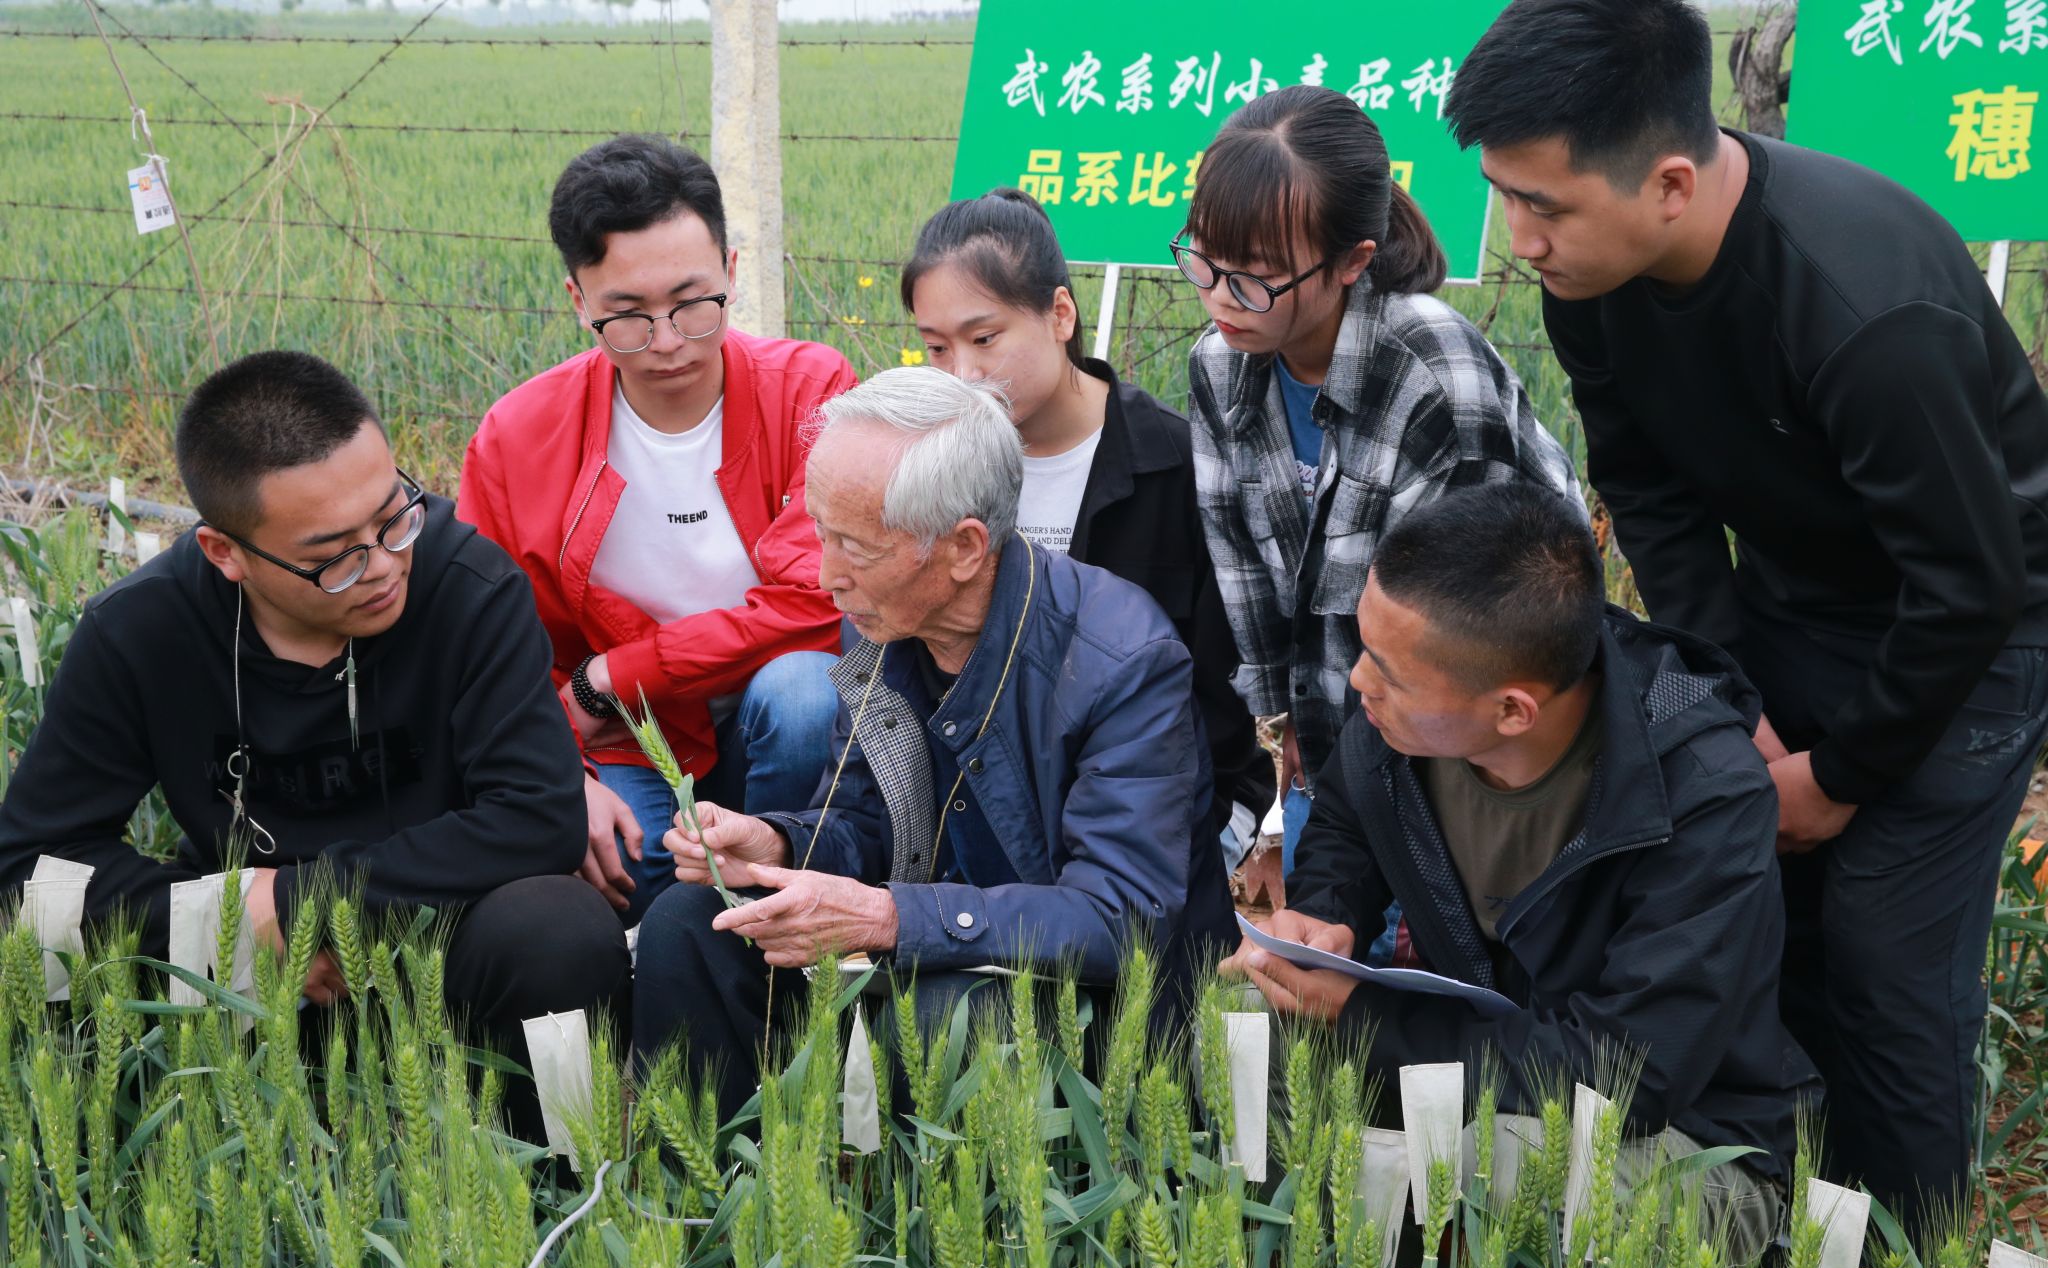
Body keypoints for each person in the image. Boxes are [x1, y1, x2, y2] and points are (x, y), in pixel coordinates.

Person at [1445, 0, 2048, 1234]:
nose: (1518, 239)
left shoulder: (1862, 306)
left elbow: (1968, 583)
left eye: (1542, 204)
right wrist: (1741, 703)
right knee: (1768, 922)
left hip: (1973, 634)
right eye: (1502, 197)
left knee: (1883, 957)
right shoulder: (1591, 280)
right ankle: (1782, 1241)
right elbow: (1653, 501)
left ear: (1668, 182)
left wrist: (1835, 774)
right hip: (1791, 599)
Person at [0, 351, 631, 1137]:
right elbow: (28, 866)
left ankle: (570, 1173)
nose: (385, 565)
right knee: (50, 945)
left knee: (562, 931)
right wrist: (234, 917)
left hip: (443, 932)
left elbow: (539, 818)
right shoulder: (141, 633)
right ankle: (130, 1167)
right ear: (225, 553)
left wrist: (308, 903)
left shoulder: (470, 586)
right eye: (333, 556)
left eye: (394, 515)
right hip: (242, 971)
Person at [1224, 484, 1816, 1265]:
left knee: (1491, 1164)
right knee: (1245, 1018)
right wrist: (1330, 913)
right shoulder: (1408, 714)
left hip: (1682, 1139)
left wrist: (1366, 1014)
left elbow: (1626, 1077)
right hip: (1483, 1070)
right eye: (1363, 646)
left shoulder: (1705, 795)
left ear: (1512, 712)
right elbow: (1349, 813)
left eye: (1388, 670)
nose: (1360, 680)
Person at [631, 366, 1234, 1115]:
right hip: (924, 958)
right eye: (821, 533)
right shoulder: (887, 621)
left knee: (948, 1016)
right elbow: (864, 824)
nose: (826, 576)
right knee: (689, 926)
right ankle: (724, 1182)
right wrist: (778, 844)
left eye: (855, 546)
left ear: (965, 548)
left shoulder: (1122, 661)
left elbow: (1122, 918)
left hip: (1096, 1010)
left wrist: (891, 917)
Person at [1178, 85, 1580, 900]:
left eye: (1257, 277)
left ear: (1353, 261)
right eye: (1205, 261)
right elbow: (1242, 571)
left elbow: (1455, 633)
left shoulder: (1432, 374)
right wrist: (1279, 739)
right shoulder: (1219, 366)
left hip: (1466, 741)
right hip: (1334, 737)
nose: (1221, 297)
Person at [459, 133, 854, 925]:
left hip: (773, 717)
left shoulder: (810, 389)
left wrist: (613, 674)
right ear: (579, 301)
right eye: (628, 317)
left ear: (731, 270)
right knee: (624, 873)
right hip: (623, 742)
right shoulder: (516, 437)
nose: (669, 341)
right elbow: (484, 644)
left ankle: (781, 898)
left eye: (692, 303)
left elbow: (819, 601)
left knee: (806, 692)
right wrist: (562, 777)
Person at [900, 186, 1274, 868]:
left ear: (1060, 314)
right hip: (981, 810)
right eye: (935, 348)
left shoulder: (1180, 467)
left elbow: (1219, 699)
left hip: (1158, 810)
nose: (964, 374)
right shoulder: (931, 471)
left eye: (984, 339)